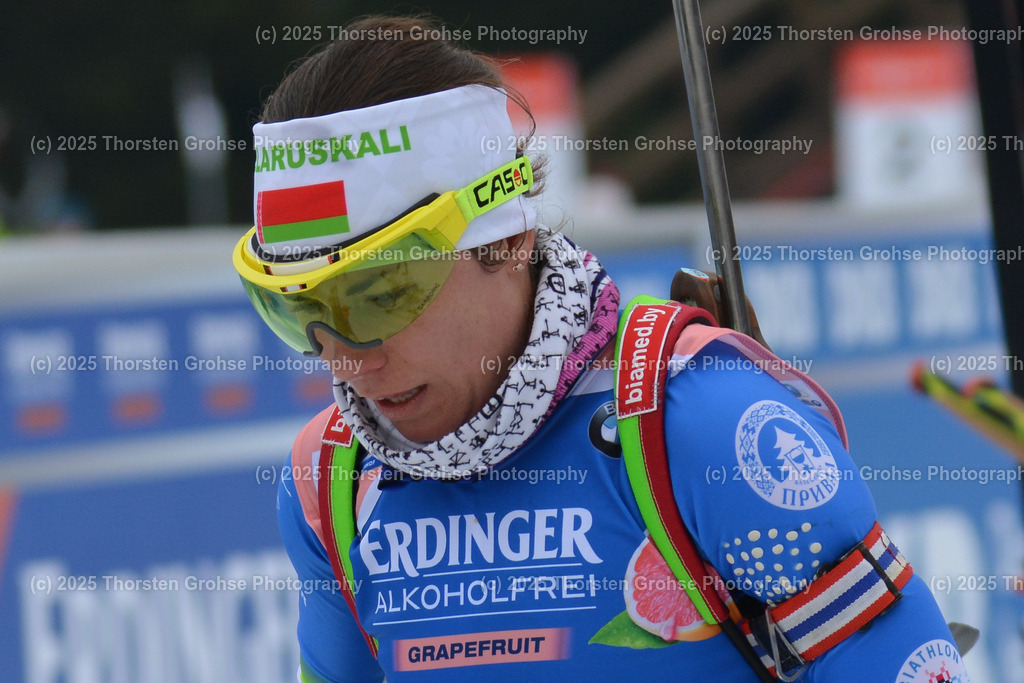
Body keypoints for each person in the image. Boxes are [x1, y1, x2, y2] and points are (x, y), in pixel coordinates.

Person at [233, 15, 972, 682]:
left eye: (378, 295)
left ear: (508, 238)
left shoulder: (696, 422)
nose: (346, 360)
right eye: (298, 310)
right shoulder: (329, 482)